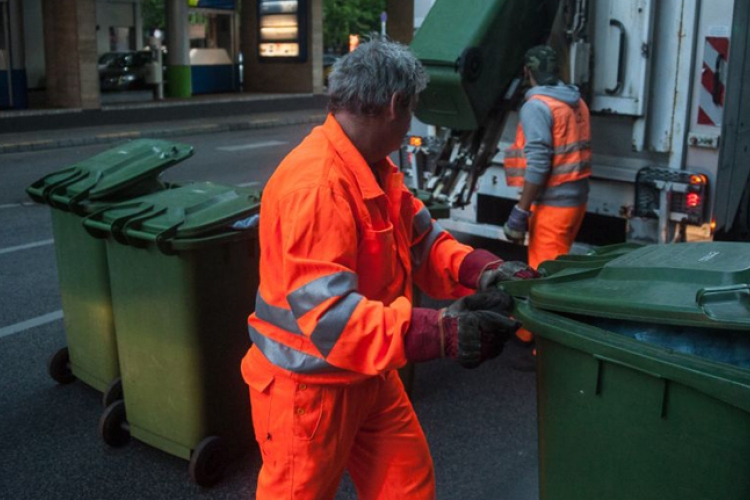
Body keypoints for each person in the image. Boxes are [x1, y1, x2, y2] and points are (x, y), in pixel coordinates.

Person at [240, 36, 537, 500]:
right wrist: (440, 331)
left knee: (406, 485)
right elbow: (331, 319)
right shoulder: (318, 186)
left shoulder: (372, 169)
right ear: (396, 105)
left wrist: (482, 269)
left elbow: (423, 241)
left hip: (366, 374)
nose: (410, 123)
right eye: (412, 109)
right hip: (309, 392)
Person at [502, 44, 591, 350]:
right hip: (575, 201)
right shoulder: (575, 102)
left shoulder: (537, 106)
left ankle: (544, 344)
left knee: (543, 278)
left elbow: (540, 162)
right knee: (552, 270)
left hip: (553, 204)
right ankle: (530, 331)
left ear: (528, 72)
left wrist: (521, 211)